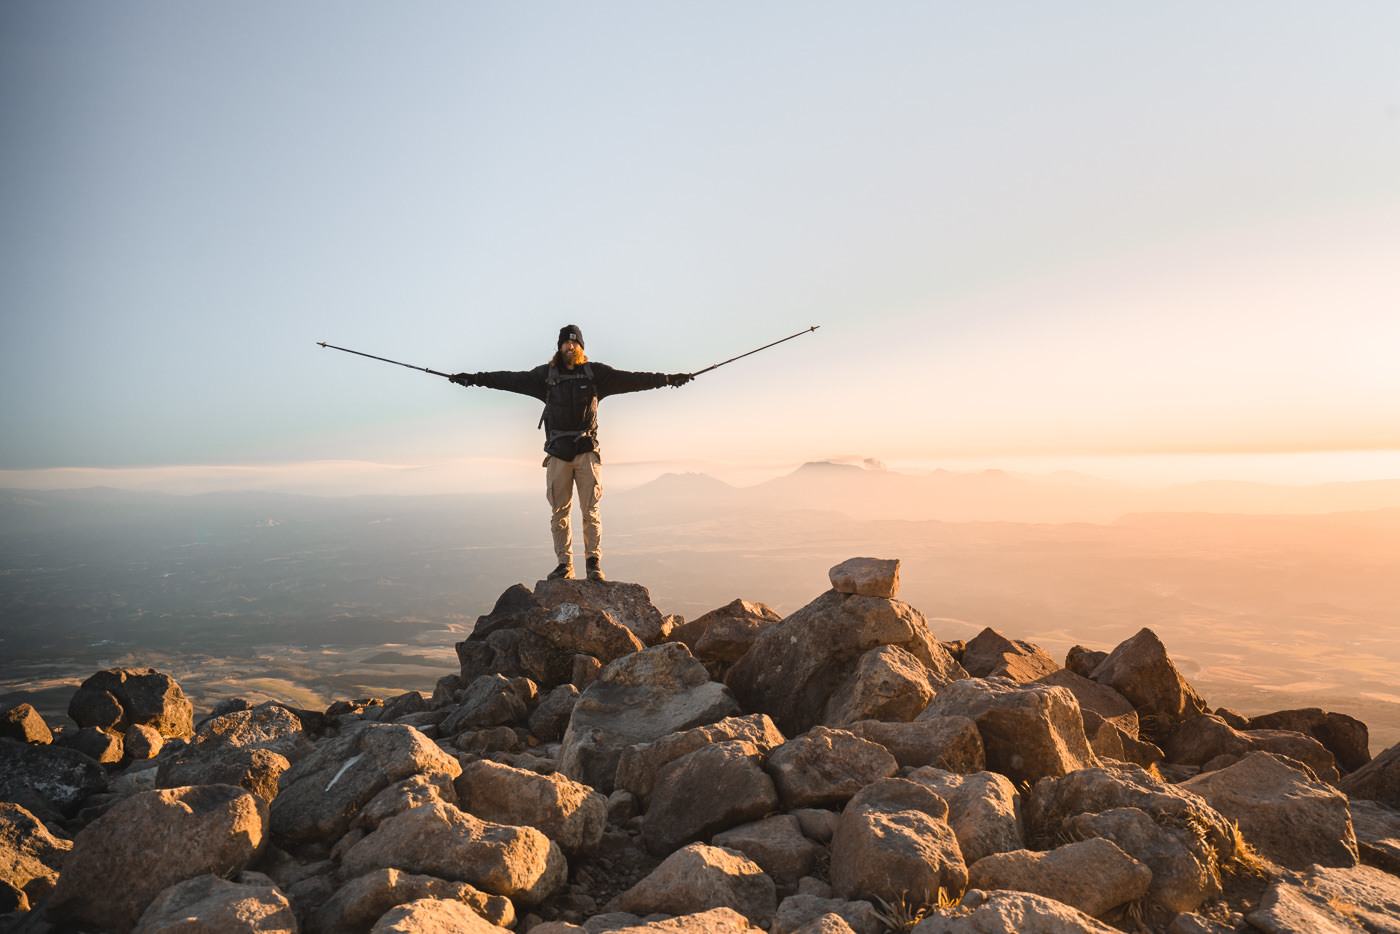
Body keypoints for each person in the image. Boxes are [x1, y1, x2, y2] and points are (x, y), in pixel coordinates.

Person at [451, 325, 692, 581]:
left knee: (590, 510)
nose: (570, 346)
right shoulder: (544, 376)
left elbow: (634, 380)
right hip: (558, 454)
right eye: (566, 343)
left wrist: (667, 379)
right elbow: (508, 380)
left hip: (587, 452)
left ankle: (593, 563)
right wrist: (474, 379)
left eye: (575, 343)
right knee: (560, 512)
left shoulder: (596, 375)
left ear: (581, 347)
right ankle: (564, 565)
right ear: (559, 347)